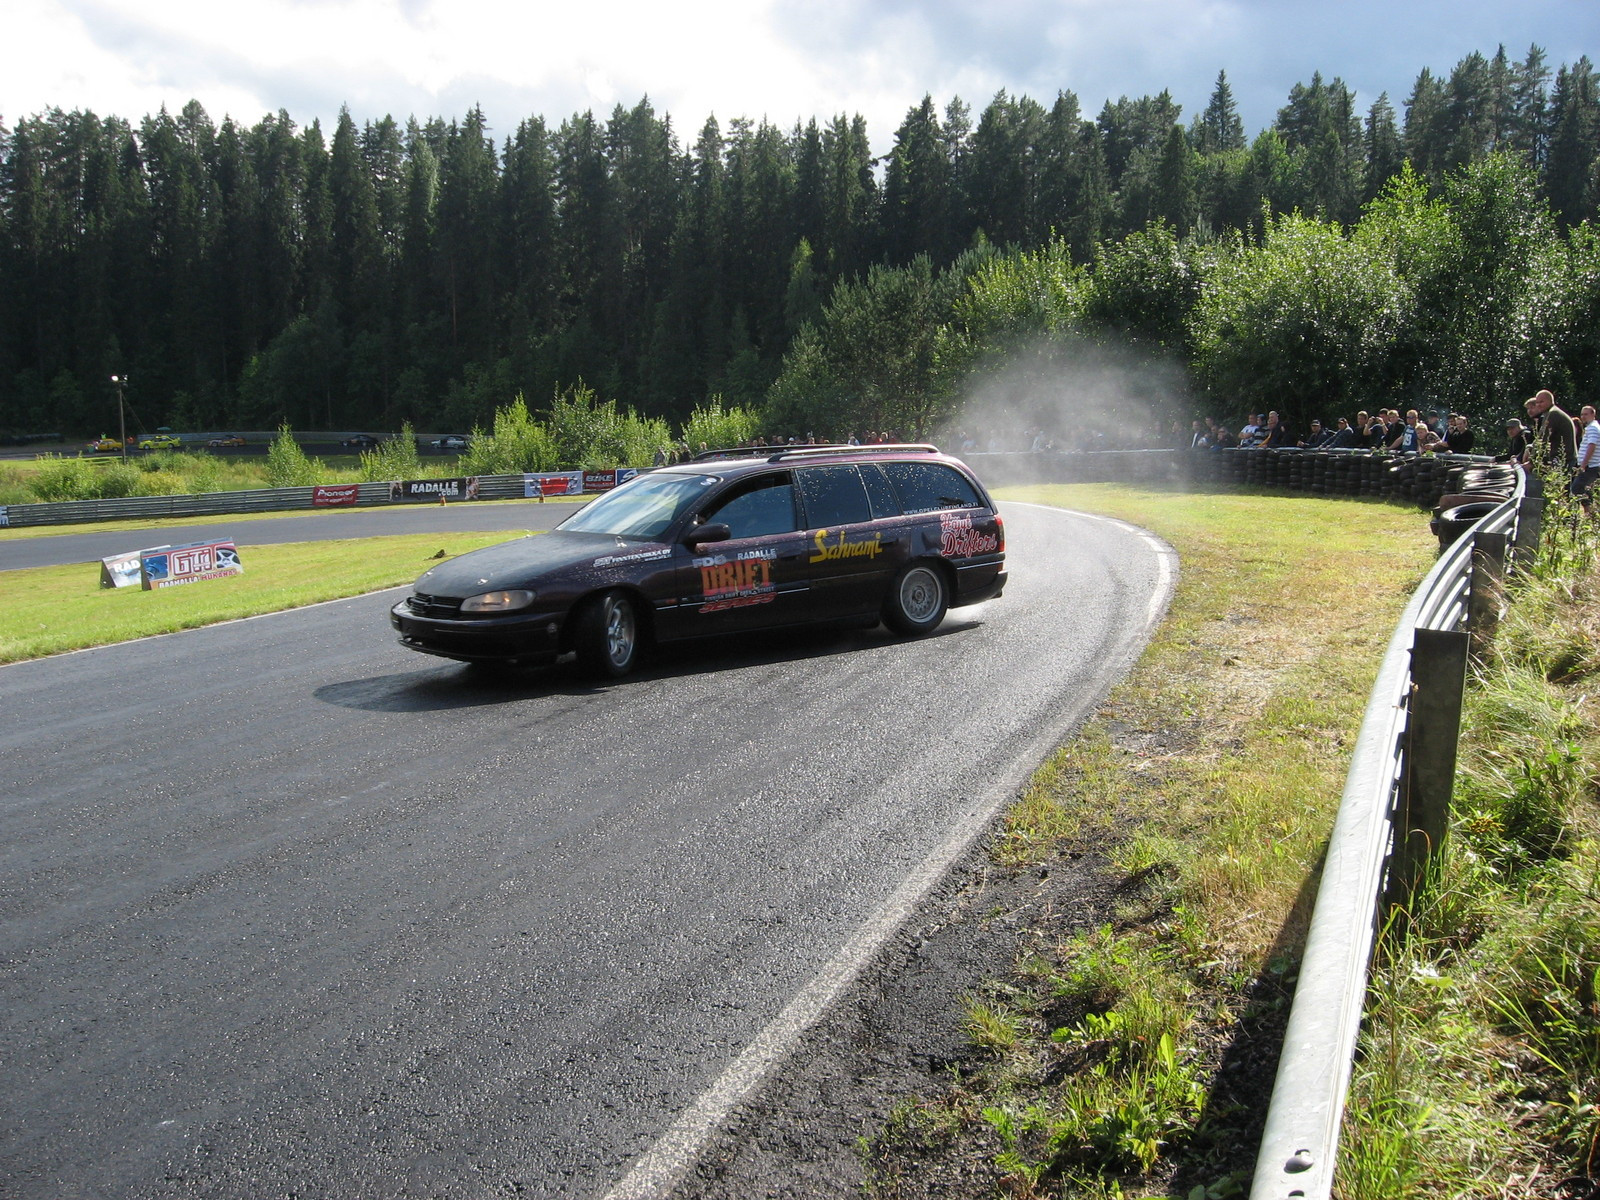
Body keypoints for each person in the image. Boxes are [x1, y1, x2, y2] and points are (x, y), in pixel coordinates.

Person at [1525, 389, 1579, 473]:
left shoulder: (1553, 414)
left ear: (1550, 401)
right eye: (1537, 403)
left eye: (1541, 402)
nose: (1538, 405)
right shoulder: (1550, 413)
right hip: (1563, 457)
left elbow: (1543, 439)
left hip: (1563, 459)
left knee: (1558, 484)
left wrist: (1531, 462)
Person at [1572, 405, 1600, 510]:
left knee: (1576, 488)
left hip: (1590, 466)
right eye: (1582, 414)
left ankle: (1589, 514)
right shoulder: (1591, 427)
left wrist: (1583, 465)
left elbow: (1592, 445)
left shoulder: (1593, 428)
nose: (1583, 417)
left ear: (1593, 415)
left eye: (1586, 414)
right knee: (1586, 490)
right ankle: (1590, 515)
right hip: (1590, 465)